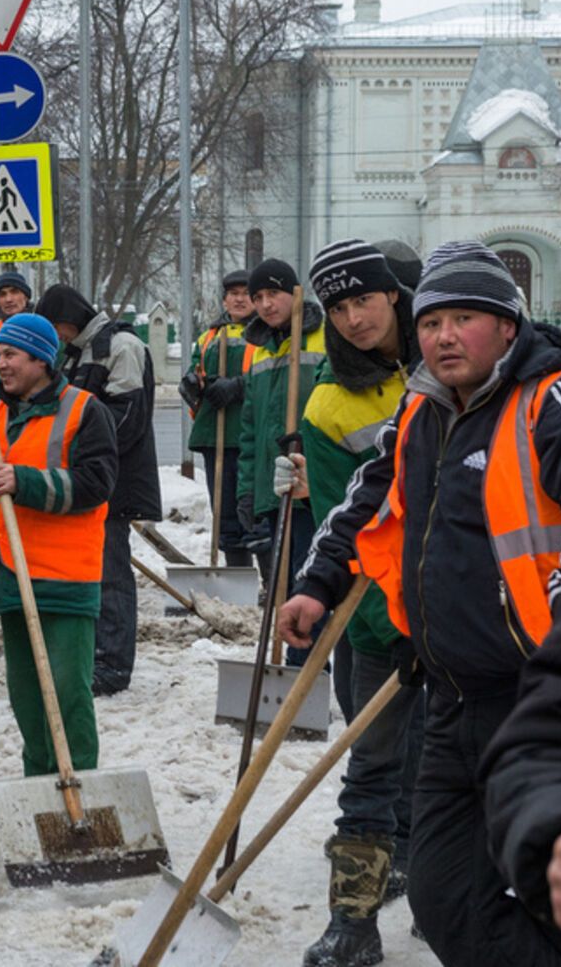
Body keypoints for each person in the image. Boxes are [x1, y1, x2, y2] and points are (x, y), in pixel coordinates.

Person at [278, 241, 561, 967]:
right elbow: (367, 496)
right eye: (433, 321)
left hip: (540, 704)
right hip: (452, 696)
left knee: (558, 893)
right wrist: (316, 583)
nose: (445, 336)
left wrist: (559, 624)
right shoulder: (423, 407)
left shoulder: (553, 400)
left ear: (508, 325)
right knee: (443, 900)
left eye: (465, 319)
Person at [285, 239, 426, 967]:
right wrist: (378, 624)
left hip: (471, 615)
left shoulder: (450, 364)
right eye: (337, 308)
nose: (352, 319)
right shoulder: (329, 402)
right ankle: (353, 920)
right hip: (380, 619)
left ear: (394, 294)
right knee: (371, 765)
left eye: (363, 299)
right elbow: (347, 520)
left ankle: (443, 894)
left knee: (458, 767)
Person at [0, 313, 118, 776]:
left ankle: (79, 784)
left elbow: (98, 482)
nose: (0, 364)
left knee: (67, 692)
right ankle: (39, 783)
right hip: (9, 573)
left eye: (11, 354)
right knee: (27, 695)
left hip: (64, 577)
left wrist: (26, 482)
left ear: (41, 360)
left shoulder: (84, 410)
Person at [36, 283, 161, 697]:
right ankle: (93, 655)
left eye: (54, 328)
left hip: (112, 481)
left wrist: (82, 449)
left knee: (110, 574)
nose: (55, 338)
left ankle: (113, 664)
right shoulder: (78, 352)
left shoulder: (122, 347)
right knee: (88, 570)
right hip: (86, 479)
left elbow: (127, 419)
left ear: (68, 321)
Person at [484, 563, 561, 957]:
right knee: (443, 894)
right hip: (462, 684)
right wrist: (557, 828)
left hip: (503, 666)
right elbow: (549, 733)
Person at [236, 258, 326, 662]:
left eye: (273, 293)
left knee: (309, 580)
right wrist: (247, 490)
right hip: (272, 488)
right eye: (258, 297)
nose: (265, 304)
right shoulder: (259, 352)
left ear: (294, 293)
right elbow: (249, 431)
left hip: (311, 487)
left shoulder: (324, 341)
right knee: (285, 581)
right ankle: (295, 663)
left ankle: (305, 667)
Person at [180, 269, 256, 569]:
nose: (239, 299)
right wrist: (193, 384)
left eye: (246, 294)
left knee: (252, 511)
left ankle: (266, 578)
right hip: (216, 436)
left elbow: (273, 378)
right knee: (224, 514)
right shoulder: (209, 337)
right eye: (233, 294)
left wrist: (237, 386)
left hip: (250, 435)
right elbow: (196, 370)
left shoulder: (265, 335)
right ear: (224, 300)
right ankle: (237, 573)